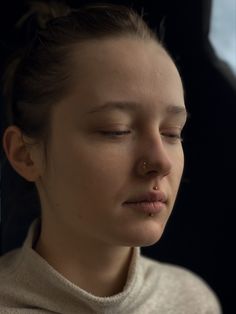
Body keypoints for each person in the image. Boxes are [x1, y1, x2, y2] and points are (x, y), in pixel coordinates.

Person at [0, 1, 222, 313]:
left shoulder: (193, 301)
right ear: (25, 155)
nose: (161, 162)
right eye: (116, 130)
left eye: (172, 132)